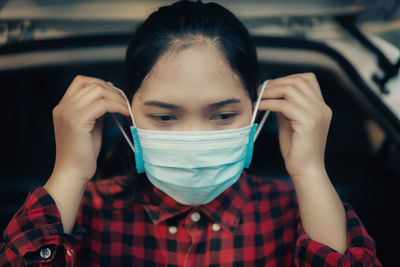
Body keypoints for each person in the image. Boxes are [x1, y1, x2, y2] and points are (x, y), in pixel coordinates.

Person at [0, 0, 381, 266]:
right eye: (165, 118)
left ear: (258, 108)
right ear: (126, 112)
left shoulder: (298, 211)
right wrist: (68, 171)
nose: (195, 142)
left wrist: (311, 170)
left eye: (224, 115)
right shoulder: (83, 211)